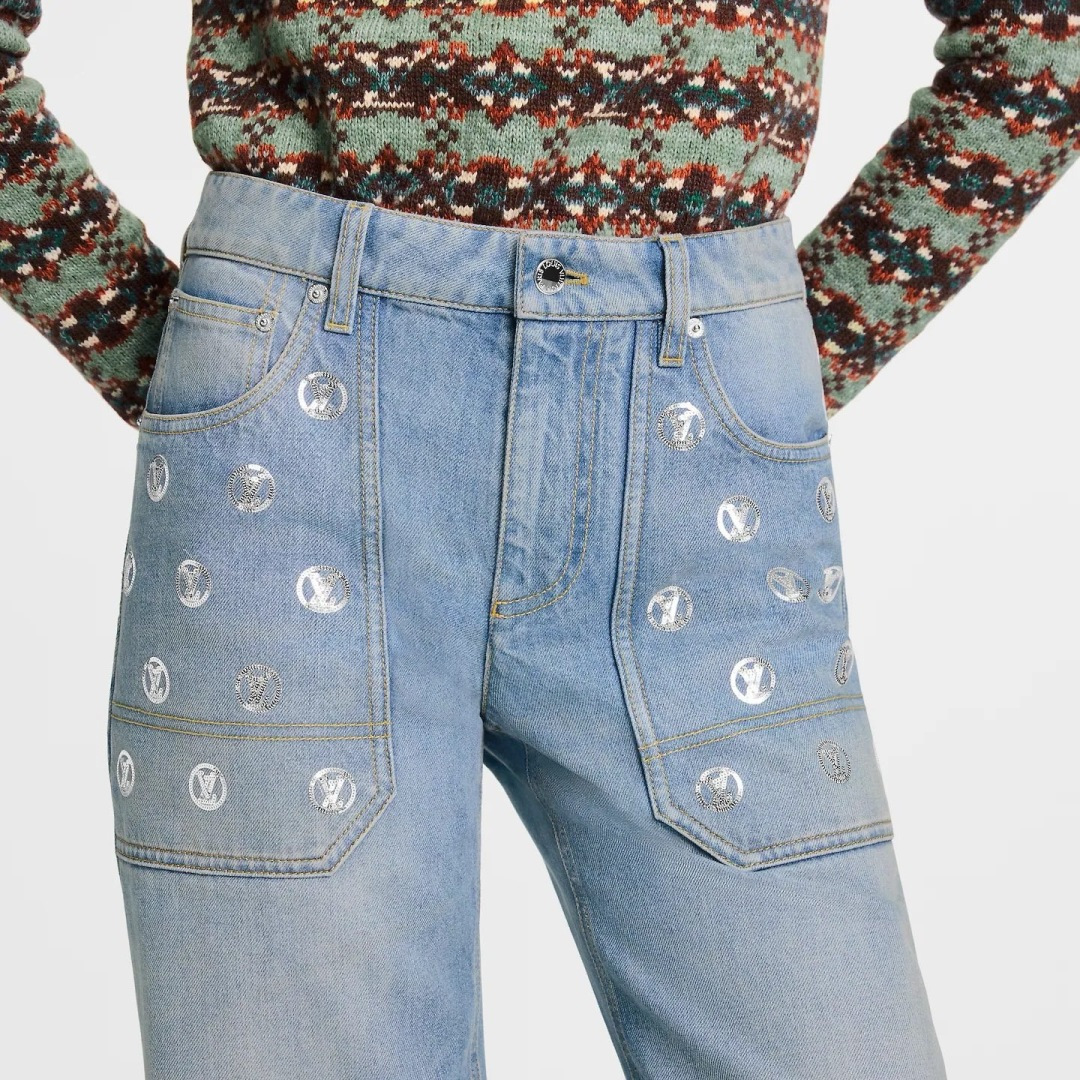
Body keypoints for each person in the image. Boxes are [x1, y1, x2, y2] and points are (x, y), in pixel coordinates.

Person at [1, 3, 1076, 1077]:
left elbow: (1044, 42)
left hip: (691, 462)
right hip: (296, 463)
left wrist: (762, 372)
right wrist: (199, 373)